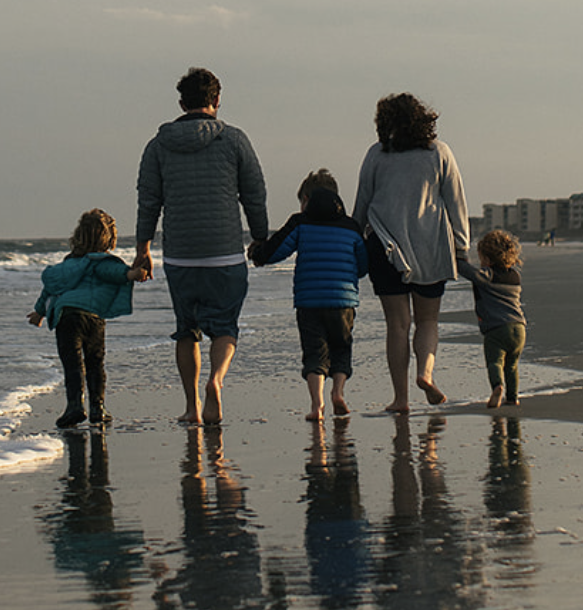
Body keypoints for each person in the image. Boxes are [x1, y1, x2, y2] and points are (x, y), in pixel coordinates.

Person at [134, 66, 268, 427]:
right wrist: (260, 237)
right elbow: (253, 194)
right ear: (217, 100)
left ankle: (192, 407)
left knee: (186, 329)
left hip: (180, 255)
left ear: (182, 102)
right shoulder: (235, 140)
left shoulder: (158, 145)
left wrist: (143, 248)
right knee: (225, 327)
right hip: (225, 251)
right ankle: (217, 380)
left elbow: (149, 201)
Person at [352, 92, 471, 413]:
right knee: (428, 320)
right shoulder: (439, 153)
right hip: (430, 246)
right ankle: (425, 373)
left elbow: (362, 202)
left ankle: (401, 399)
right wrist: (461, 245)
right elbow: (455, 201)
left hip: (385, 247)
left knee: (398, 324)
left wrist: (353, 238)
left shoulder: (377, 154)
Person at [250, 169, 369, 422]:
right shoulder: (351, 226)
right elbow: (362, 266)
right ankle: (338, 392)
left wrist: (258, 255)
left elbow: (276, 250)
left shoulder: (300, 222)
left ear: (306, 198)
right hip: (343, 301)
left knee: (315, 353)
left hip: (309, 301)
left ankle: (317, 404)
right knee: (341, 349)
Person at [29, 209, 139, 430]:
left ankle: (74, 407)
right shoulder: (101, 262)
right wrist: (134, 274)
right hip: (93, 319)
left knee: (72, 364)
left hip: (66, 316)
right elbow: (117, 274)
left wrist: (39, 312)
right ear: (108, 238)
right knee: (95, 363)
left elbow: (50, 289)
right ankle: (98, 408)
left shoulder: (67, 265)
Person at [458, 227, 527, 410]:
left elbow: (469, 272)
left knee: (495, 361)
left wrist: (457, 260)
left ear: (487, 259)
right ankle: (512, 398)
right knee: (511, 365)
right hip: (519, 328)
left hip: (497, 328)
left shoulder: (488, 276)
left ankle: (497, 386)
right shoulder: (515, 276)